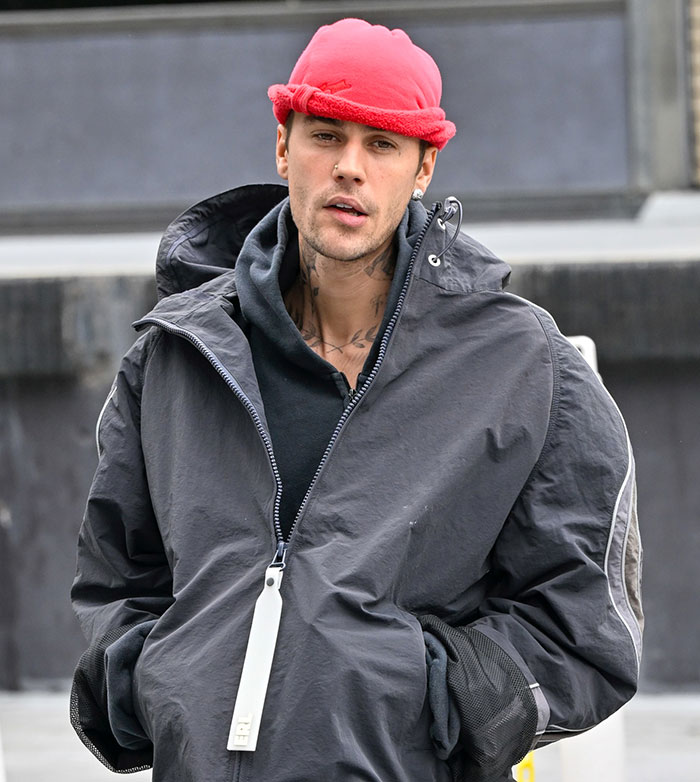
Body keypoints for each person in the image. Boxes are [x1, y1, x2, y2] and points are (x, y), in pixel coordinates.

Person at [70, 17, 643, 782]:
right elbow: (118, 576)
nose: (349, 168)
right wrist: (161, 678)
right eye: (325, 135)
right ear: (283, 145)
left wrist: (427, 693)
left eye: (381, 145)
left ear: (423, 169)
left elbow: (587, 624)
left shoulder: (527, 366)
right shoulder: (177, 356)